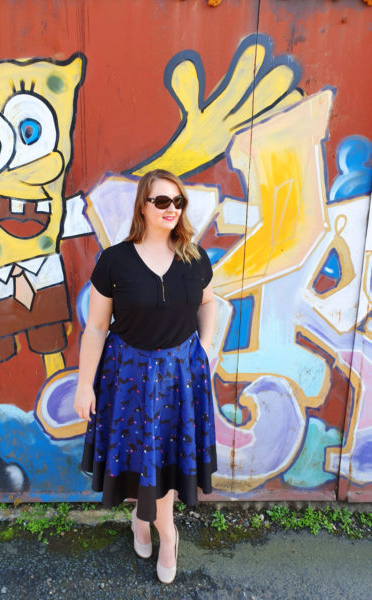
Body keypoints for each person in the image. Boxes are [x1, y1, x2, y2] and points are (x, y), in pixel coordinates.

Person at [74, 169, 217, 584]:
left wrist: (204, 347)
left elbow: (209, 303)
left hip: (179, 376)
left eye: (178, 202)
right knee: (137, 455)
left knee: (167, 456)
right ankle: (148, 518)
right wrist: (85, 384)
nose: (172, 209)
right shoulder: (114, 261)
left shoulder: (194, 257)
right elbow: (97, 327)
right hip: (128, 373)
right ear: (143, 205)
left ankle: (164, 531)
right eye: (162, 201)